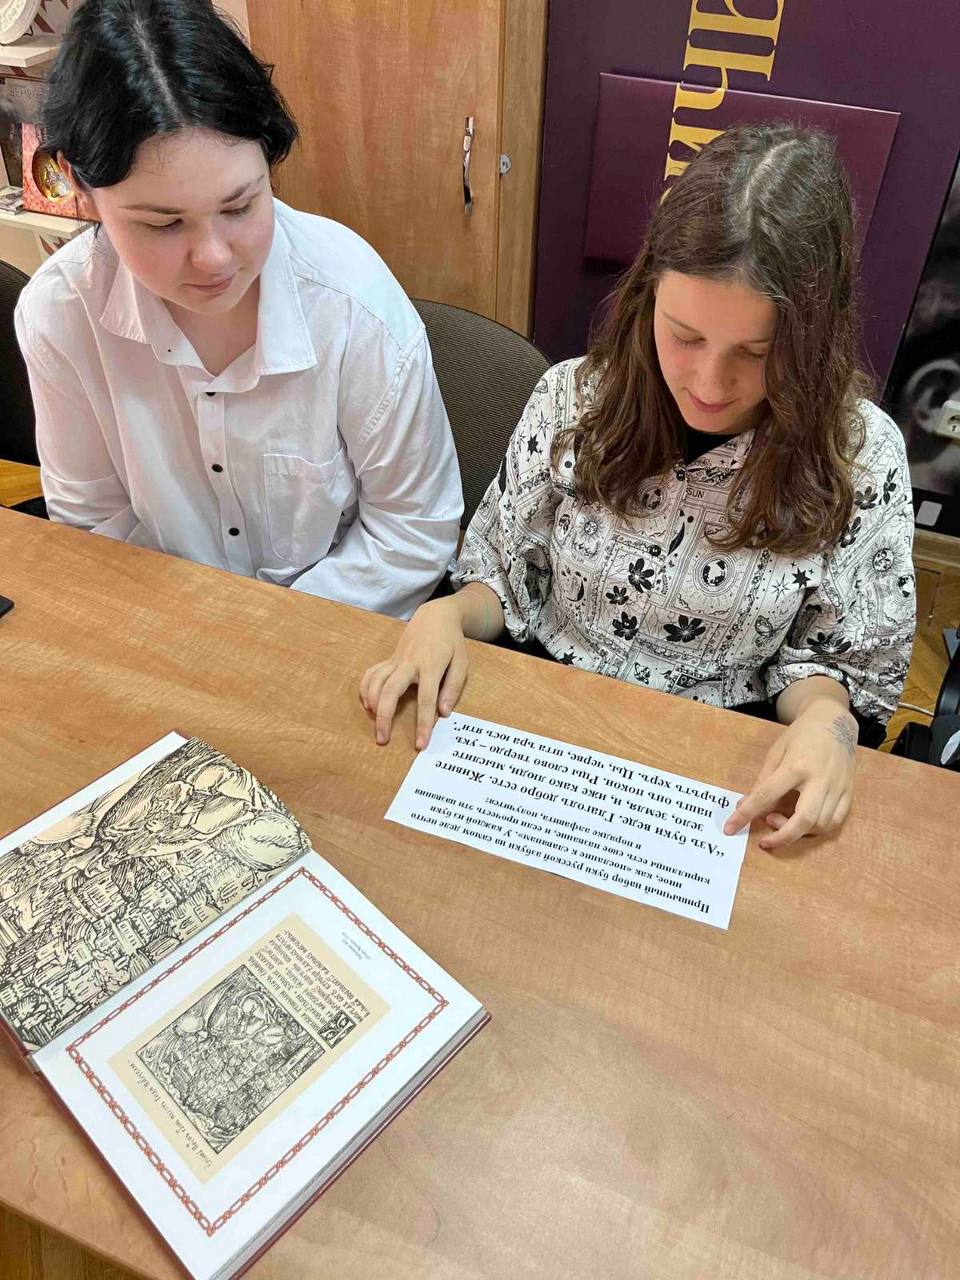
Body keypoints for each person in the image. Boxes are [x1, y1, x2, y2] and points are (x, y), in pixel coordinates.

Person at [360, 125, 917, 851]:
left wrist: (826, 723)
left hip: (719, 760)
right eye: (684, 335)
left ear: (815, 339)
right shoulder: (573, 400)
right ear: (648, 293)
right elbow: (505, 576)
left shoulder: (860, 457)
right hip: (537, 723)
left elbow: (833, 662)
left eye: (757, 353)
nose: (710, 384)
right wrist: (447, 615)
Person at [15, 0, 462, 619]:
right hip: (163, 625)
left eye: (240, 205)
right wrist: (201, 630)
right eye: (163, 224)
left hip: (337, 630)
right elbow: (94, 525)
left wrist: (259, 635)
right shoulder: (61, 314)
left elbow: (412, 533)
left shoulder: (354, 308)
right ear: (80, 190)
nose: (214, 258)